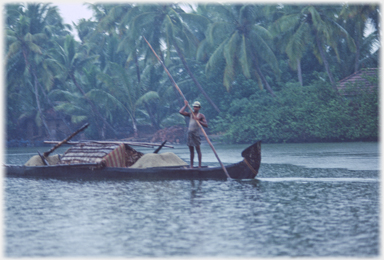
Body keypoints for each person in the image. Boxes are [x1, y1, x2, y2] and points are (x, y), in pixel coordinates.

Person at [179, 100, 208, 168]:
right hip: (190, 133)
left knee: (198, 149)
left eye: (197, 107)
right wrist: (185, 105)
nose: (195, 108)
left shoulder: (201, 115)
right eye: (194, 107)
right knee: (191, 150)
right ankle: (191, 166)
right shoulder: (190, 114)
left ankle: (199, 166)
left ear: (199, 108)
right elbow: (180, 112)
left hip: (196, 134)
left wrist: (199, 120)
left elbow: (206, 125)